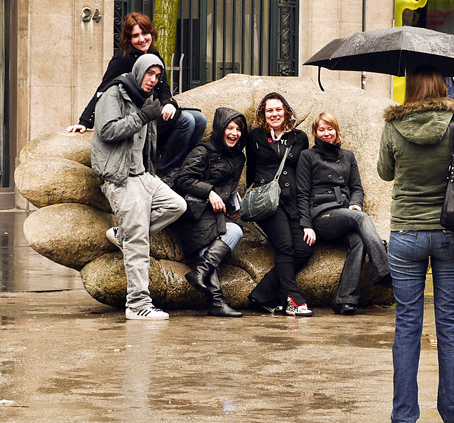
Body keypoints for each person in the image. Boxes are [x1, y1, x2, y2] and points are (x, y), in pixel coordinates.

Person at [377, 66, 454, 423]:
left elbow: (385, 172)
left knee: (407, 324)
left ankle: (404, 416)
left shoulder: (393, 126)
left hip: (406, 233)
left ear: (410, 89)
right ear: (441, 87)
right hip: (450, 232)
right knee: (450, 324)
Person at [91, 53, 187, 320]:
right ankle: (137, 305)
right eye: (149, 74)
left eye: (157, 76)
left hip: (143, 175)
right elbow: (107, 131)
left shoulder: (146, 99)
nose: (153, 80)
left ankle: (123, 236)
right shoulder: (115, 94)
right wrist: (143, 117)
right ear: (138, 72)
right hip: (120, 177)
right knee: (139, 240)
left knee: (177, 205)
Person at [67, 12, 207, 185]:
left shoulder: (154, 55)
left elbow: (164, 89)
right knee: (186, 121)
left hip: (154, 113)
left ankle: (183, 170)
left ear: (151, 33)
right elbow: (103, 90)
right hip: (137, 119)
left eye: (144, 33)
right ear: (128, 38)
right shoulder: (121, 59)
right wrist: (84, 121)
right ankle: (164, 174)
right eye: (135, 35)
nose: (141, 39)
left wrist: (168, 103)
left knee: (200, 119)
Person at [296, 112, 390, 316]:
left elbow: (357, 188)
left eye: (330, 129)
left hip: (345, 214)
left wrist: (356, 203)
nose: (326, 133)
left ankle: (345, 300)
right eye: (321, 129)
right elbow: (301, 193)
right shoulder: (307, 156)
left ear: (337, 131)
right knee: (361, 217)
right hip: (321, 216)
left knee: (359, 241)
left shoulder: (348, 156)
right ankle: (383, 269)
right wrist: (306, 225)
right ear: (315, 133)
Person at [173, 107, 247, 318]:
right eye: (230, 128)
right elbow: (182, 180)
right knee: (210, 242)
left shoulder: (239, 158)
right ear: (220, 128)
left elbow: (229, 188)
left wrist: (230, 204)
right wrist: (210, 193)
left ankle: (200, 274)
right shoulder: (202, 151)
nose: (234, 133)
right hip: (194, 212)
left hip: (215, 213)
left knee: (235, 231)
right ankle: (216, 301)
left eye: (239, 129)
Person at [246, 92, 313, 318]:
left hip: (292, 201)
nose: (274, 114)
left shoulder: (299, 138)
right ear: (263, 115)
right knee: (285, 247)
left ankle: (263, 294)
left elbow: (303, 172)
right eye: (269, 110)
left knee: (303, 248)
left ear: (286, 111)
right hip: (268, 204)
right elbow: (251, 172)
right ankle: (294, 298)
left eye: (278, 109)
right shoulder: (255, 137)